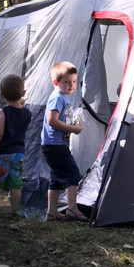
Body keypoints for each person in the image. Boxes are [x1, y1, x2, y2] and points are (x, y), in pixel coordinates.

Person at [41, 60, 88, 221]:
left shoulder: (64, 99)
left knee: (56, 178)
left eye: (74, 81)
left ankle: (51, 212)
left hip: (57, 145)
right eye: (67, 82)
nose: (71, 85)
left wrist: (74, 124)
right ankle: (72, 208)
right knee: (72, 173)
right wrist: (73, 129)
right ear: (56, 82)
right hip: (54, 145)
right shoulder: (57, 98)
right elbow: (52, 121)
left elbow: (63, 119)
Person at [0, 74, 33, 213]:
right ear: (23, 93)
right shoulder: (27, 113)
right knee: (15, 185)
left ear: (2, 95)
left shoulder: (2, 112)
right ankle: (14, 211)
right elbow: (20, 112)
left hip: (0, 153)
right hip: (18, 154)